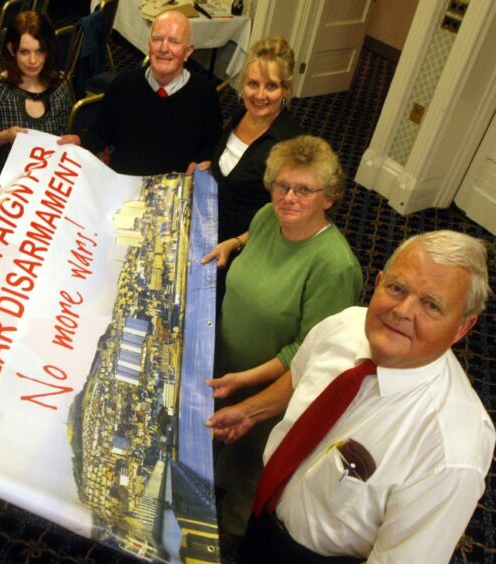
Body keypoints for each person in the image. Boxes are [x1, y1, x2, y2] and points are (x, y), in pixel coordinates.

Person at [208, 230, 494, 563]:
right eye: (397, 288)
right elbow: (299, 378)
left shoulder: (451, 449)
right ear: (379, 282)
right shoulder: (345, 325)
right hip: (265, 507)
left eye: (431, 305)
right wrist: (251, 411)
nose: (403, 311)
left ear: (462, 328)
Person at [200, 135, 362, 558]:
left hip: (272, 390)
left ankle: (230, 534)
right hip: (228, 363)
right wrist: (234, 243)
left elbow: (308, 352)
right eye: (282, 186)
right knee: (221, 441)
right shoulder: (269, 216)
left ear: (328, 198)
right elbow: (255, 233)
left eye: (304, 190)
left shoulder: (335, 267)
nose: (289, 198)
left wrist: (245, 381)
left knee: (252, 465)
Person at [58, 9, 222, 176]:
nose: (164, 48)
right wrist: (80, 140)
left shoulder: (205, 94)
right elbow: (102, 133)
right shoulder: (123, 85)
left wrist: (201, 161)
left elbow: (214, 145)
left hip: (173, 185)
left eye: (174, 42)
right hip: (124, 180)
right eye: (157, 39)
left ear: (188, 51)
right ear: (149, 44)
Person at [213, 35, 303, 244]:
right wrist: (215, 165)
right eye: (253, 84)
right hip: (213, 222)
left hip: (247, 242)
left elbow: (285, 216)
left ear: (285, 90)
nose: (260, 95)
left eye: (271, 86)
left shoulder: (290, 144)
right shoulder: (241, 114)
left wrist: (237, 243)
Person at [0, 10, 74, 182]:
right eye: (25, 52)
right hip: (9, 183)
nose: (33, 60)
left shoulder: (59, 88)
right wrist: (4, 137)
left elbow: (65, 140)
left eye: (40, 51)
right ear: (12, 49)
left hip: (48, 180)